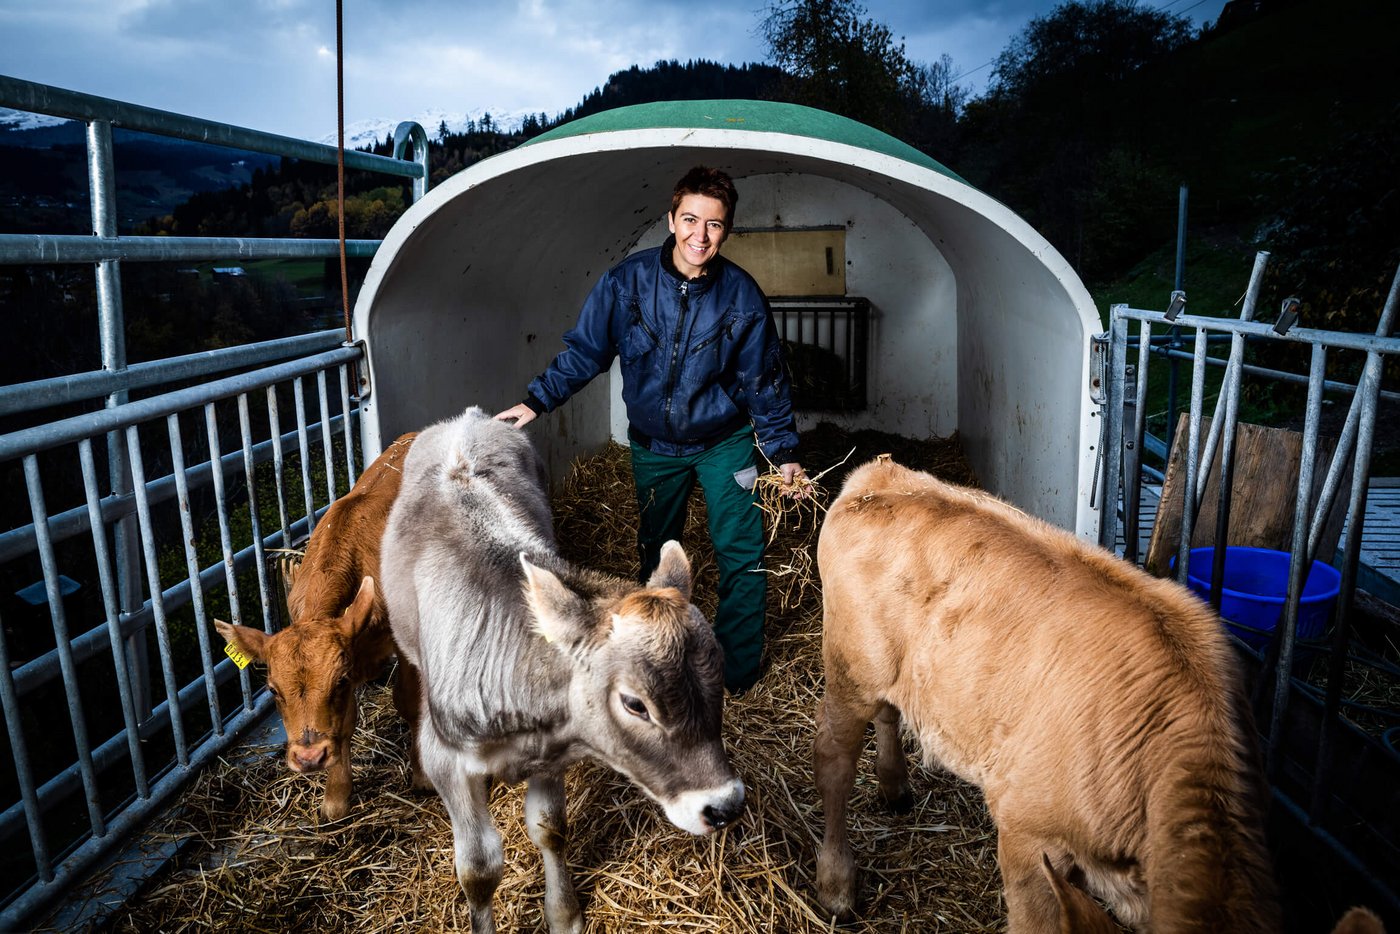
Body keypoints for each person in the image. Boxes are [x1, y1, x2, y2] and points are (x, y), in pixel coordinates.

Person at [496, 165, 804, 695]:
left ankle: (736, 676)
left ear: (726, 230)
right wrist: (536, 402)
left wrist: (782, 453)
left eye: (713, 225)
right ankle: (656, 654)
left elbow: (764, 380)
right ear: (670, 218)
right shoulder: (626, 283)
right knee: (657, 549)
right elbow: (586, 352)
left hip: (724, 442)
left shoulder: (743, 297)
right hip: (655, 447)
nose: (699, 236)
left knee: (743, 552)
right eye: (690, 220)